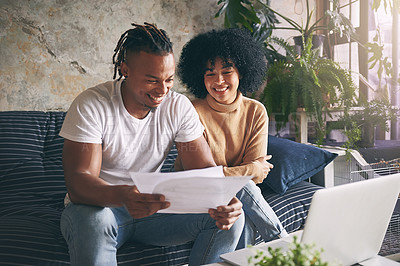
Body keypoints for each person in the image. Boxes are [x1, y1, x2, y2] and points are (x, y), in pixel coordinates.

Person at [59, 22, 244, 266]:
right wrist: (124, 195)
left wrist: (220, 197)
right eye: (151, 80)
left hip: (152, 210)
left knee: (232, 218)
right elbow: (79, 183)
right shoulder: (93, 105)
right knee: (94, 220)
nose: (162, 90)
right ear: (125, 69)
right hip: (99, 208)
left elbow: (203, 171)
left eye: (168, 80)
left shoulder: (177, 107)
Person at [176, 28, 288, 248]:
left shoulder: (255, 111)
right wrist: (251, 169)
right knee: (242, 185)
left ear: (242, 72)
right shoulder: (190, 111)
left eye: (227, 71)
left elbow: (255, 177)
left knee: (241, 205)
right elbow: (203, 177)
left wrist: (246, 173)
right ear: (200, 78)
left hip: (236, 195)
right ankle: (281, 242)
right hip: (193, 192)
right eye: (209, 73)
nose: (219, 80)